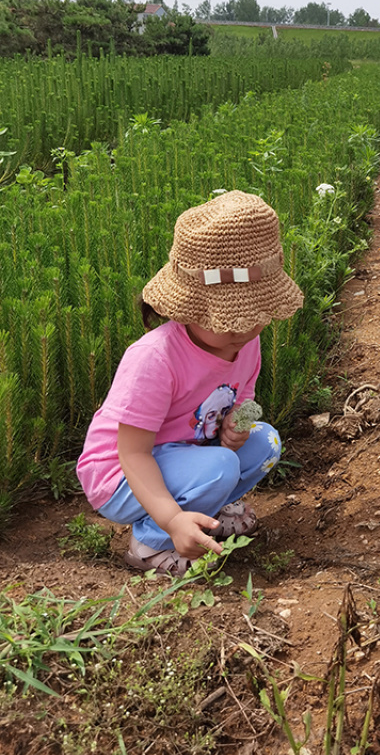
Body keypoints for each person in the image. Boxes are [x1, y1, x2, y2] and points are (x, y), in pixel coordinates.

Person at [76, 190, 304, 575]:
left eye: (256, 314)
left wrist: (239, 423)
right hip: (120, 474)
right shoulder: (155, 359)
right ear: (189, 308)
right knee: (219, 468)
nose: (246, 328)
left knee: (265, 442)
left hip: (187, 454)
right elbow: (132, 454)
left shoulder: (245, 342)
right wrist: (170, 520)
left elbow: (244, 395)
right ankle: (149, 543)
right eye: (228, 318)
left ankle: (204, 508)